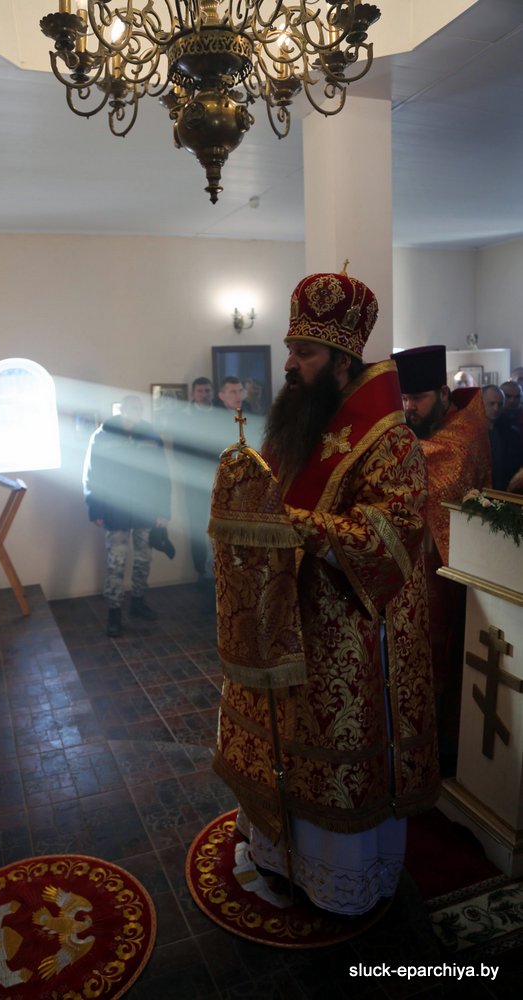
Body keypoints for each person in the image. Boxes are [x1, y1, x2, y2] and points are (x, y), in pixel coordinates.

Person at [210, 271, 439, 917]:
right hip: (284, 623)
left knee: (329, 759)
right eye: (291, 349)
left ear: (342, 361)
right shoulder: (301, 424)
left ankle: (337, 883)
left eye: (304, 353)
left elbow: (392, 534)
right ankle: (272, 853)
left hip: (348, 642)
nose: (289, 364)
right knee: (276, 742)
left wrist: (295, 525)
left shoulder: (390, 440)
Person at [393, 345, 491, 774]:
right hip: (416, 567)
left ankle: (437, 755)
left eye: (418, 398)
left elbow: (428, 472)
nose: (409, 408)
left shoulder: (463, 435)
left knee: (439, 662)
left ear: (443, 393)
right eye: (404, 399)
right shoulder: (425, 428)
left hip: (450, 576)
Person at [83, 394, 170, 637]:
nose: (135, 410)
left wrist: (163, 510)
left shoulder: (151, 436)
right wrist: (95, 509)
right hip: (115, 510)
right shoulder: (102, 436)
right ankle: (114, 612)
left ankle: (138, 602)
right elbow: (92, 474)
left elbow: (162, 474)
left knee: (144, 558)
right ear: (121, 409)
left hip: (145, 508)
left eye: (139, 407)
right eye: (131, 407)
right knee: (116, 562)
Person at [171, 377, 222, 583]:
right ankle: (201, 570)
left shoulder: (220, 415)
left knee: (220, 522)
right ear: (193, 394)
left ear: (213, 392)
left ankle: (220, 568)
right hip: (193, 480)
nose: (204, 394)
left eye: (207, 390)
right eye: (200, 391)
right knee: (197, 524)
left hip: (220, 477)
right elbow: (178, 450)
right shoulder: (183, 418)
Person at [482, 384, 523, 490]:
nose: (496, 408)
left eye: (500, 404)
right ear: (481, 403)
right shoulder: (471, 429)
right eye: (492, 404)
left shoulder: (511, 432)